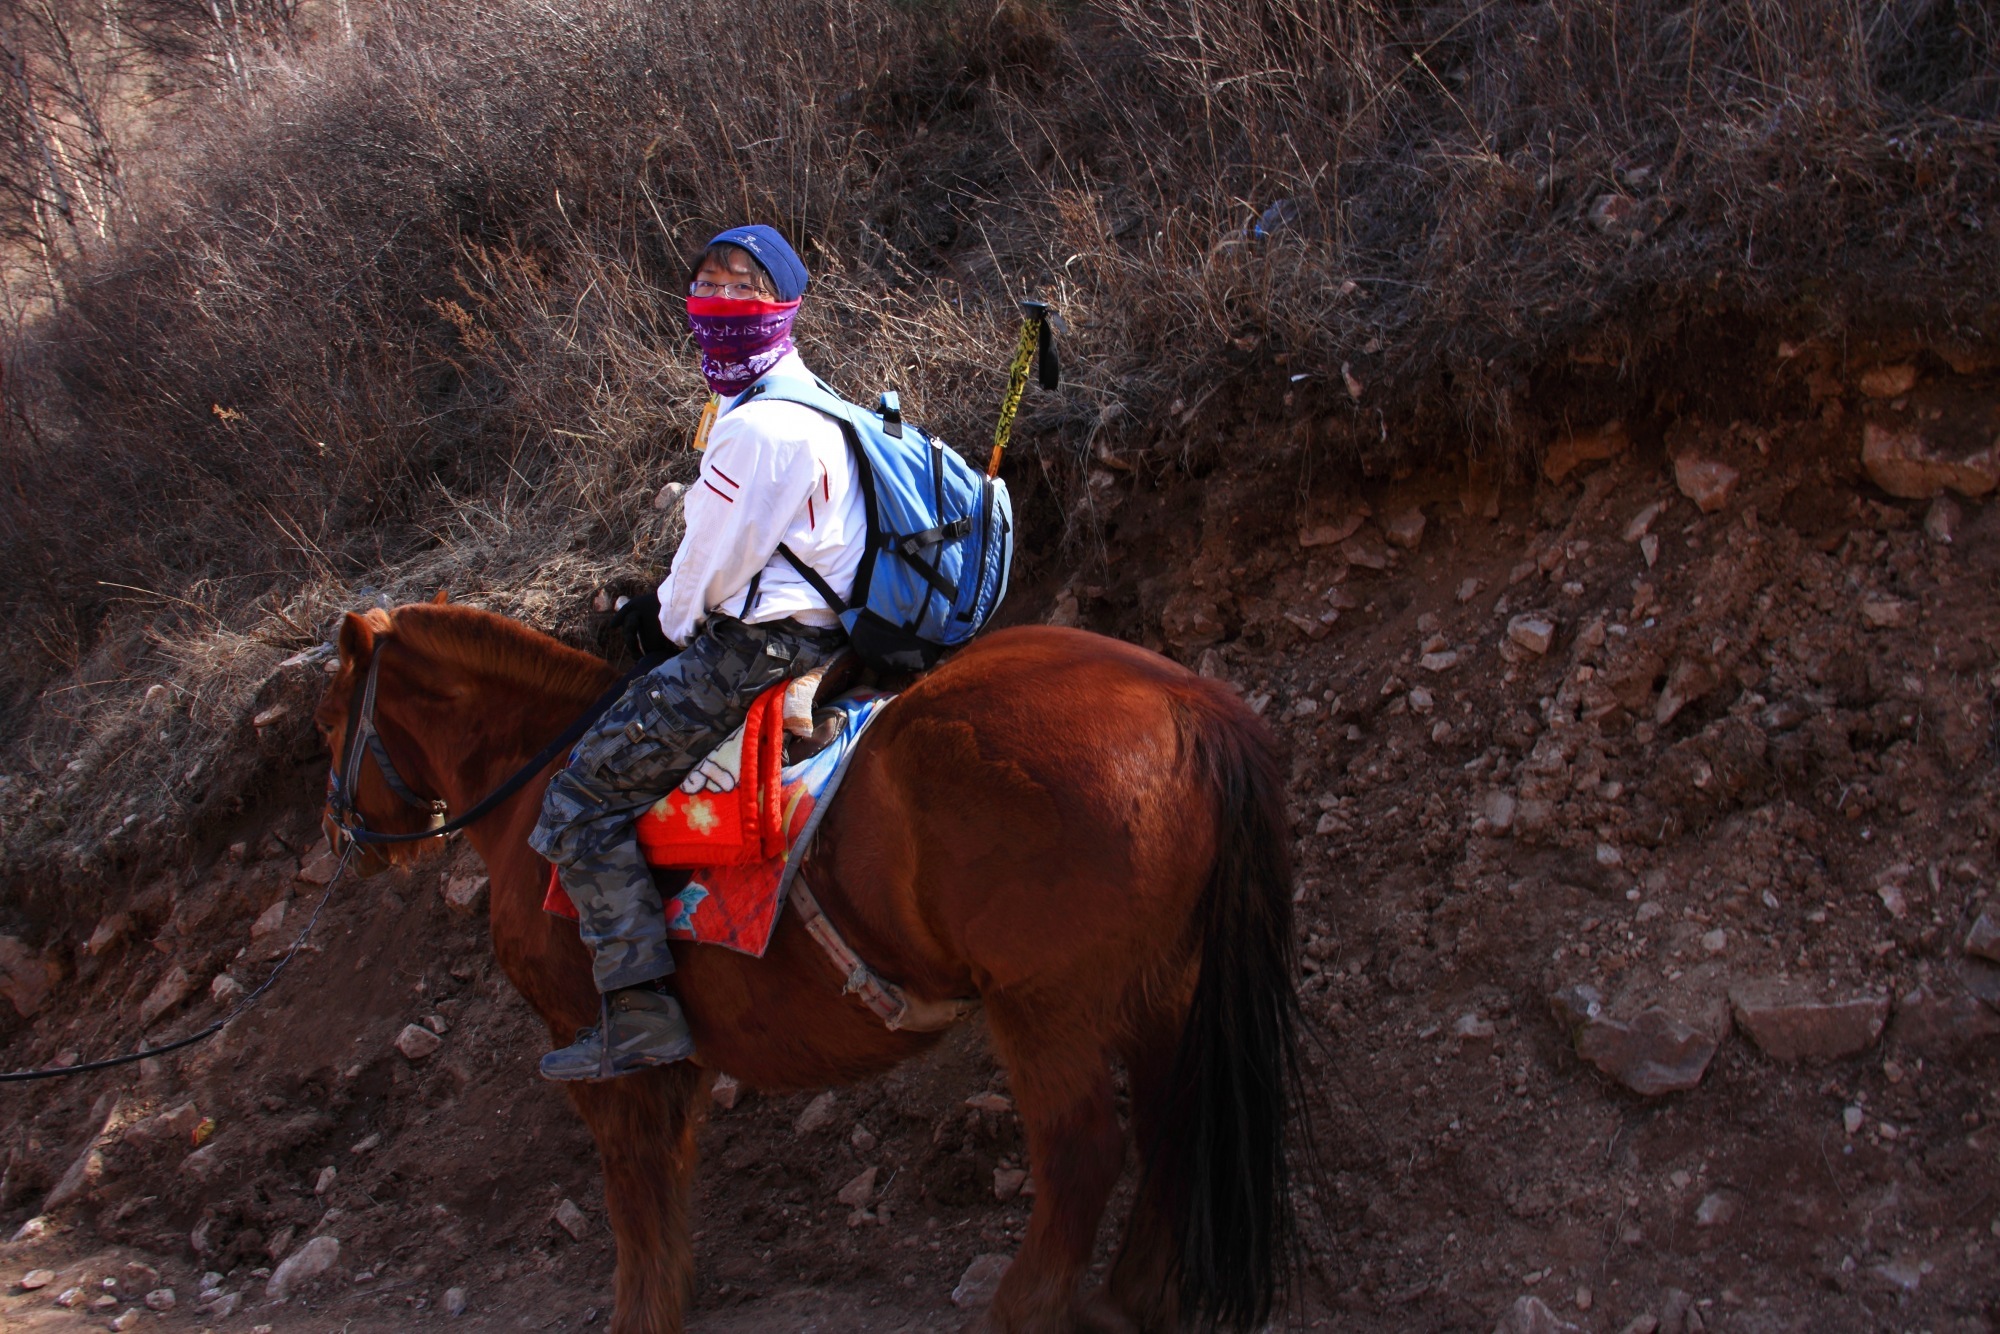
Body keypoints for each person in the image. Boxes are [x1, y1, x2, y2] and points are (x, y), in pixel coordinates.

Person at [528, 225, 863, 1081]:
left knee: (580, 797)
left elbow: (701, 585)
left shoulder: (756, 431)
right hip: (830, 628)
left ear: (784, 305)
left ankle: (640, 1013)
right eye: (707, 282)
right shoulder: (824, 402)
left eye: (742, 286)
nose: (719, 298)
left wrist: (653, 622)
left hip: (758, 647)